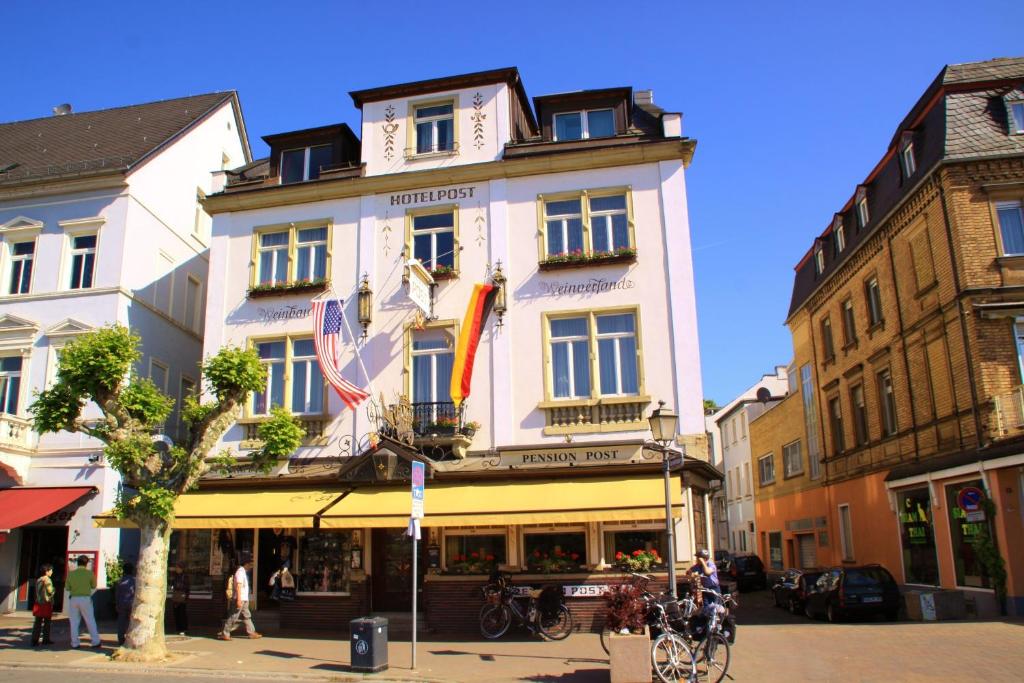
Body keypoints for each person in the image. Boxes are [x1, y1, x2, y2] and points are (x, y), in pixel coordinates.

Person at [218, 552, 261, 640]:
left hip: (244, 599)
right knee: (234, 616)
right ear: (246, 563)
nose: (251, 566)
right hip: (239, 598)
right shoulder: (240, 572)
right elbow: (239, 586)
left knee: (247, 616)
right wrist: (239, 599)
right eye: (250, 564)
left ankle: (251, 632)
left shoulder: (243, 572)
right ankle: (225, 633)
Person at [66, 555, 101, 648]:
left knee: (73, 621)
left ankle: (75, 643)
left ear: (77, 563)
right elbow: (94, 586)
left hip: (73, 598)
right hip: (85, 598)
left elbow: (67, 587)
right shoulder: (90, 574)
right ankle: (95, 641)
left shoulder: (71, 574)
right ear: (87, 563)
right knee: (90, 620)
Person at [30, 563, 55, 647]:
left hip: (38, 602)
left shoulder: (39, 579)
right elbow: (50, 590)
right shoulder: (47, 580)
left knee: (37, 622)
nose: (52, 572)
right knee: (47, 622)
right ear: (47, 571)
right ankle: (46, 639)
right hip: (46, 603)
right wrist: (54, 591)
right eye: (51, 570)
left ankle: (34, 640)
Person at [115, 562, 136, 646]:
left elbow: (116, 593)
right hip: (131, 602)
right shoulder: (135, 581)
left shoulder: (120, 581)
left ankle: (120, 638)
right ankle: (130, 638)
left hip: (121, 603)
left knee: (121, 621)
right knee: (131, 622)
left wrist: (116, 603)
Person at [170, 562, 190, 635]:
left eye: (178, 568)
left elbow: (187, 587)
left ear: (181, 568)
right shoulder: (175, 576)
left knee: (182, 613)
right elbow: (172, 584)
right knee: (176, 613)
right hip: (176, 596)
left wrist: (185, 596)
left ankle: (183, 628)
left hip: (182, 597)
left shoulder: (185, 576)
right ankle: (178, 628)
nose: (176, 569)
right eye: (176, 568)